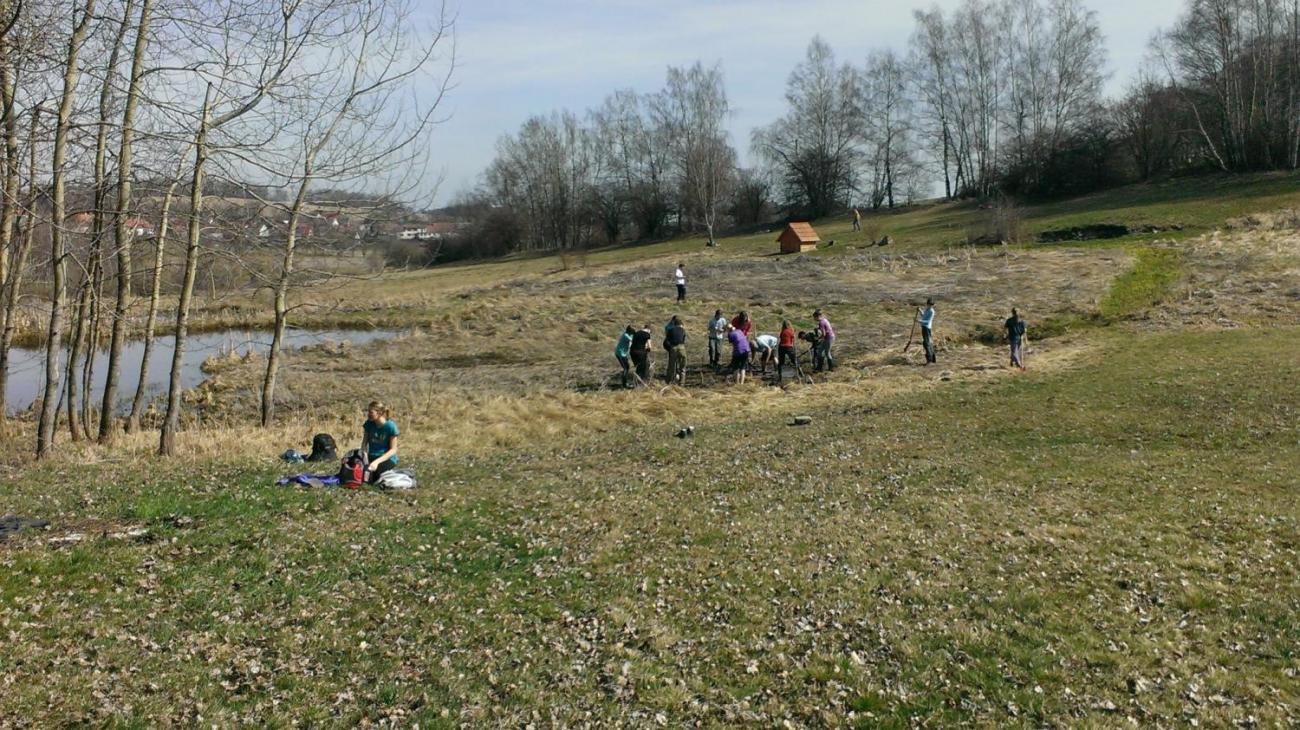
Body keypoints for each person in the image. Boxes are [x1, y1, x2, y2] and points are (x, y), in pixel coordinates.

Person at [361, 400, 400, 484]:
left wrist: (376, 463)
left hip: (386, 458)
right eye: (368, 411)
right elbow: (364, 442)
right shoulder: (369, 423)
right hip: (371, 456)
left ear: (379, 413)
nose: (368, 414)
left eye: (371, 412)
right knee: (358, 470)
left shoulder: (390, 426)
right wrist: (363, 456)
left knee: (373, 477)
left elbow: (393, 450)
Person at [664, 315, 688, 385]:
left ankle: (669, 382)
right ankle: (682, 383)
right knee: (683, 367)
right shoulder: (683, 330)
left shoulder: (670, 330)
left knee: (671, 366)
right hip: (682, 347)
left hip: (673, 348)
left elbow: (667, 340)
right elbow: (683, 339)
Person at [918, 298, 937, 365]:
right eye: (929, 305)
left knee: (927, 343)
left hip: (927, 328)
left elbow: (928, 321)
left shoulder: (932, 311)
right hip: (923, 327)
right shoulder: (927, 309)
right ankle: (932, 359)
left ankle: (930, 360)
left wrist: (919, 321)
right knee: (926, 343)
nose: (930, 306)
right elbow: (924, 316)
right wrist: (920, 311)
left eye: (931, 305)